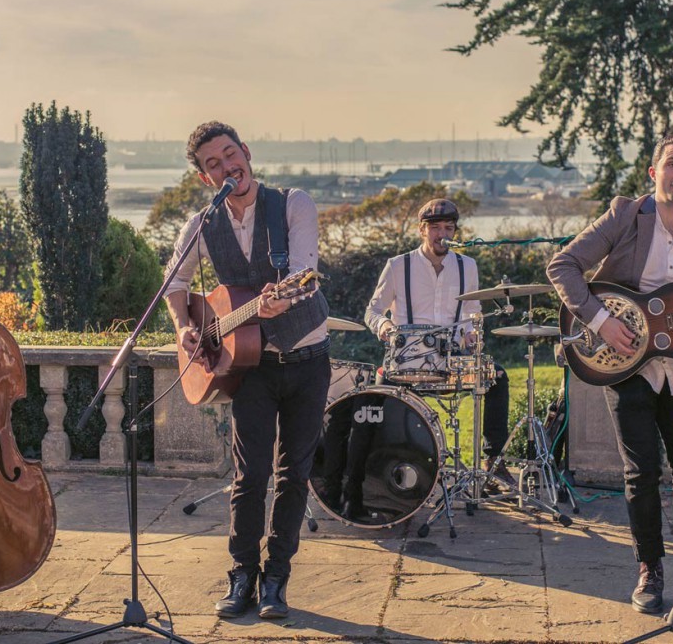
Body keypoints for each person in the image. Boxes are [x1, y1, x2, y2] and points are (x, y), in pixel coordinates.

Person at [546, 132, 673, 615]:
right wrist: (601, 321)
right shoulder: (625, 214)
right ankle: (649, 569)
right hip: (627, 365)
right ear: (654, 171)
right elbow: (564, 265)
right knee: (641, 474)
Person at [164, 121, 329, 620]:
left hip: (306, 358)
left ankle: (277, 577)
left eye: (230, 154)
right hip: (248, 367)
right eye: (213, 163)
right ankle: (242, 575)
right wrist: (182, 328)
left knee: (293, 476)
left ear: (247, 153)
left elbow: (301, 270)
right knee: (248, 476)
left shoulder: (292, 204)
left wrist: (282, 298)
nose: (226, 166)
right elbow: (175, 282)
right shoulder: (200, 223)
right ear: (204, 178)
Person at [363, 199, 513, 495]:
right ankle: (377, 466)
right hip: (408, 359)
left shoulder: (467, 266)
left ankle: (493, 463)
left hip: (452, 359)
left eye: (449, 227)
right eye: (435, 228)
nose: (442, 233)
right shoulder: (398, 266)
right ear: (422, 230)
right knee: (379, 391)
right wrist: (386, 327)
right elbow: (373, 311)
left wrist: (470, 333)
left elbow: (472, 310)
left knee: (498, 378)